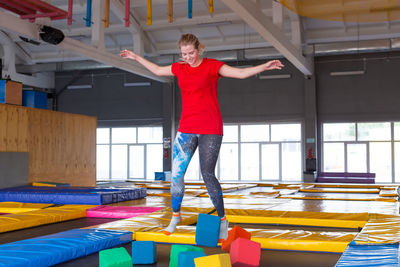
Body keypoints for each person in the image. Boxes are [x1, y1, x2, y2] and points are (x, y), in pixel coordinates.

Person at [120, 33, 284, 241]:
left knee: (208, 174)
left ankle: (223, 220)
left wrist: (264, 66)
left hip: (210, 129)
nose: (188, 57)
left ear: (199, 49)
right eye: (184, 54)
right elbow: (157, 70)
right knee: (177, 174)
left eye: (191, 53)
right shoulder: (179, 68)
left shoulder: (212, 66)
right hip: (186, 128)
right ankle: (175, 217)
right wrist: (136, 57)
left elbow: (240, 74)